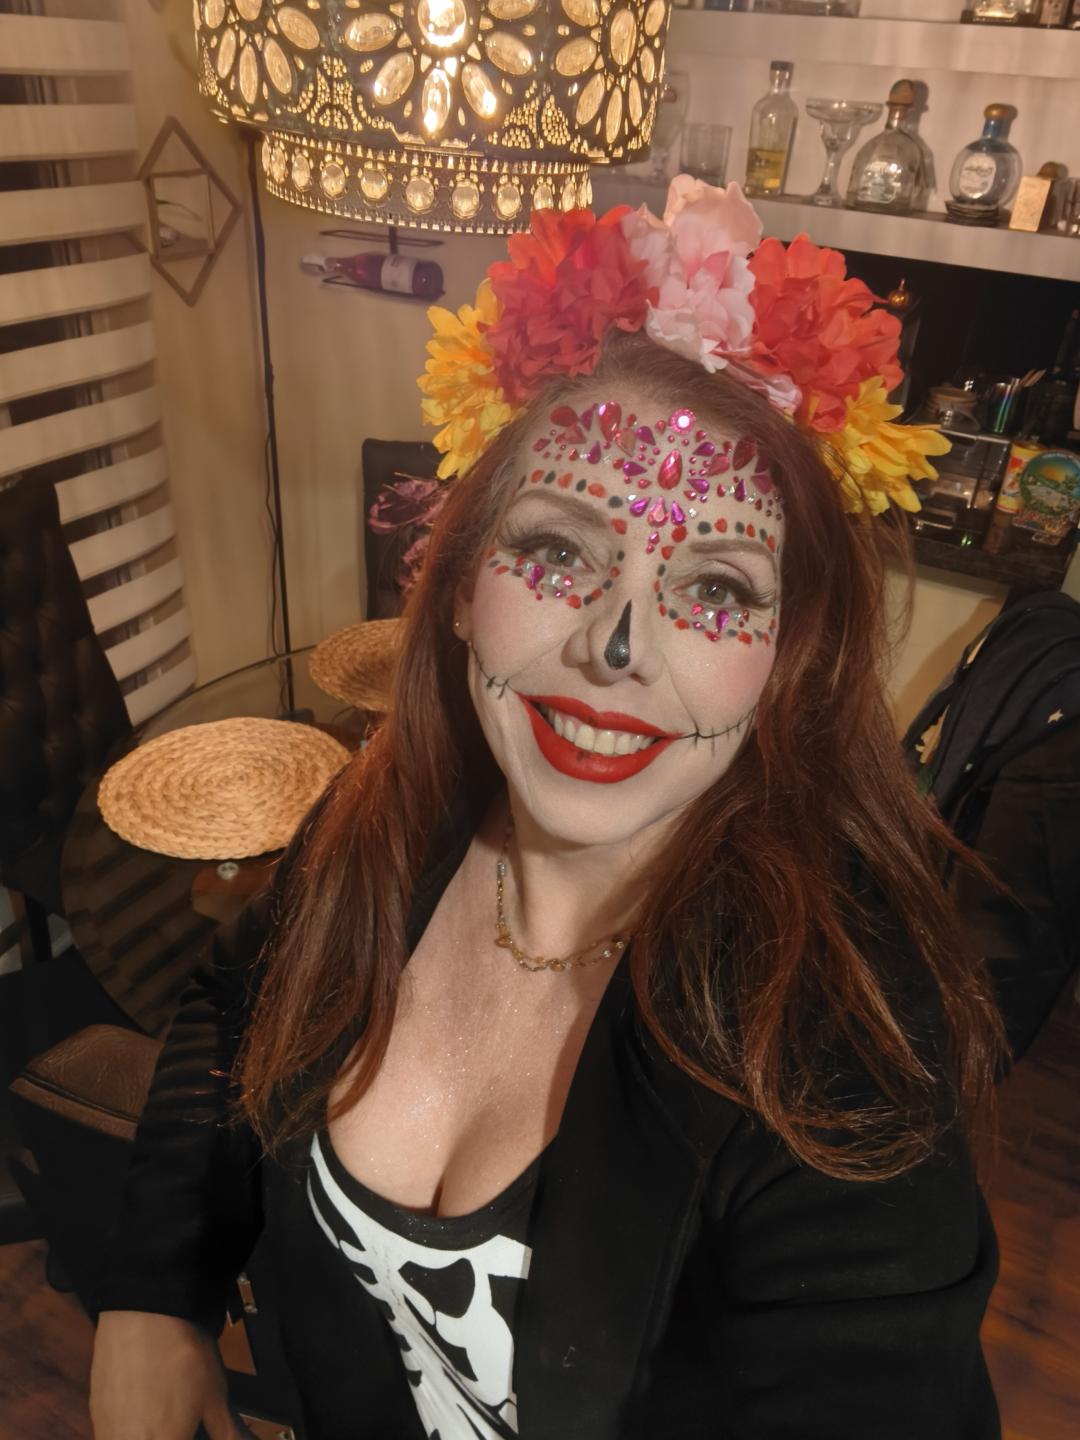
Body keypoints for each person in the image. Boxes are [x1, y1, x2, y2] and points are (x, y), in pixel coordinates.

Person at [90, 179, 1008, 1440]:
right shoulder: (388, 822)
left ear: (785, 659)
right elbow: (234, 1003)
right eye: (562, 550)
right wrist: (158, 1288)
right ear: (462, 585)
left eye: (717, 586)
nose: (617, 647)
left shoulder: (837, 1045)